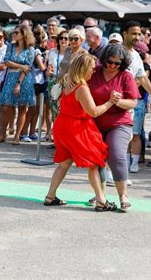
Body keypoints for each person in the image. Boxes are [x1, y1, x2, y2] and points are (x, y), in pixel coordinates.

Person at [45, 53, 118, 211]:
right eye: (91, 68)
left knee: (63, 163)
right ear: (84, 68)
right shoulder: (82, 87)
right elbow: (93, 112)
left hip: (62, 125)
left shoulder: (67, 80)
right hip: (76, 128)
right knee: (93, 164)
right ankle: (101, 200)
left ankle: (50, 196)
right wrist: (110, 102)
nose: (93, 71)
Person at [88, 44, 140, 212]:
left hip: (119, 123)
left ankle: (123, 195)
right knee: (96, 160)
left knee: (117, 155)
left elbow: (133, 102)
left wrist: (116, 101)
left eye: (117, 63)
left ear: (122, 64)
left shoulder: (126, 76)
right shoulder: (94, 71)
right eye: (109, 62)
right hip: (94, 122)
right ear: (104, 59)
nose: (112, 66)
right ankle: (100, 196)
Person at [0, 25, 36, 145]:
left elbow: (27, 68)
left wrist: (19, 82)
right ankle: (2, 134)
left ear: (24, 34)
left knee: (22, 108)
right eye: (13, 32)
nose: (13, 34)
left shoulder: (30, 49)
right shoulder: (10, 46)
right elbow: (6, 61)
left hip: (24, 80)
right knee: (6, 107)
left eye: (16, 32)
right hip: (10, 77)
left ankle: (17, 136)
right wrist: (20, 66)